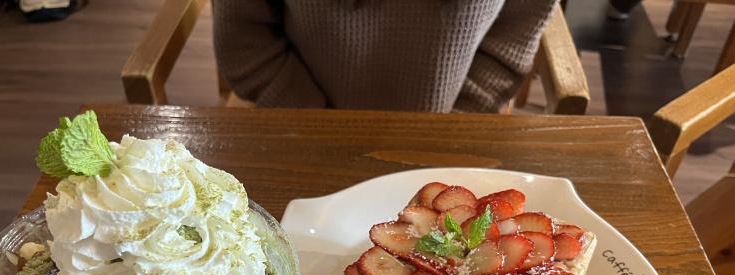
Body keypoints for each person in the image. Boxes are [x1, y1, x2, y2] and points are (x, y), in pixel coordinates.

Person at [213, 0, 558, 113]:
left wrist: (455, 121)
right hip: (301, 122)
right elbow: (246, 43)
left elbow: (518, 28)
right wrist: (316, 124)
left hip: (452, 128)